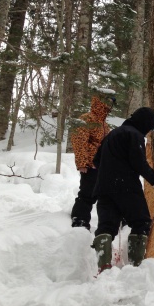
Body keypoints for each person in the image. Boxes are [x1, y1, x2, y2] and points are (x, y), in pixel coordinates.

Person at [91, 107, 154, 272]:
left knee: (106, 226)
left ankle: (103, 266)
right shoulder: (134, 135)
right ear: (145, 123)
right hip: (126, 186)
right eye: (151, 128)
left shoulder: (112, 134)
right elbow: (139, 163)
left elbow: (96, 160)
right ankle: (135, 267)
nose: (149, 132)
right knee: (141, 222)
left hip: (103, 187)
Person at [69, 92, 114, 229]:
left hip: (102, 165)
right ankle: (79, 218)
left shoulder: (104, 124)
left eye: (112, 103)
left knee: (104, 193)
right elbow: (79, 141)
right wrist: (82, 162)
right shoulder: (86, 119)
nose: (110, 106)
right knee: (87, 192)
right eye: (108, 102)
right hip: (89, 163)